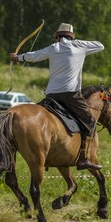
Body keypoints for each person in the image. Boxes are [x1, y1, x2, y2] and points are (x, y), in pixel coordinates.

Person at [10, 23, 104, 170]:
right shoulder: (79, 46)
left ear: (57, 36)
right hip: (71, 94)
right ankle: (84, 159)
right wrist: (80, 43)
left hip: (52, 94)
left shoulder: (52, 48)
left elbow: (34, 56)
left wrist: (18, 57)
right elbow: (100, 46)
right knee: (90, 121)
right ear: (71, 36)